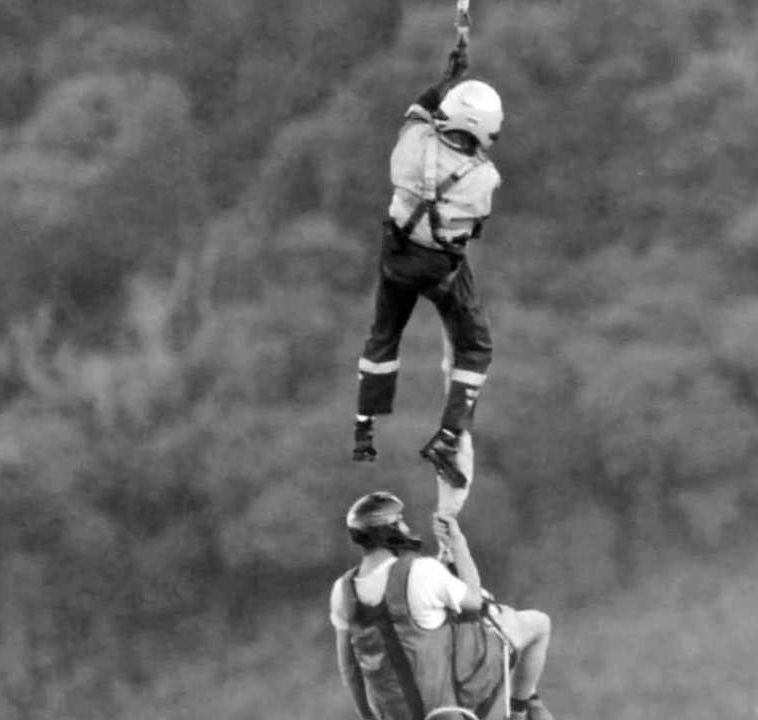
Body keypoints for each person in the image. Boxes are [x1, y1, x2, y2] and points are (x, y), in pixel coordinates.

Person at [352, 41, 503, 490]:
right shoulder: (484, 178)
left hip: (395, 255)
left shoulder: (413, 139)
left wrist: (449, 76)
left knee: (383, 335)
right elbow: (474, 226)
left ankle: (364, 427)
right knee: (475, 347)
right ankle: (448, 434)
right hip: (439, 268)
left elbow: (421, 105)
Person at [331, 491, 555, 720]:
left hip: (393, 715)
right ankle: (521, 708)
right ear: (387, 530)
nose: (406, 528)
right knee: (539, 623)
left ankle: (526, 704)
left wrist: (368, 716)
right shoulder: (421, 570)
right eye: (400, 522)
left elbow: (349, 669)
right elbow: (475, 600)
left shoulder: (342, 590)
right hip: (445, 708)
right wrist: (459, 545)